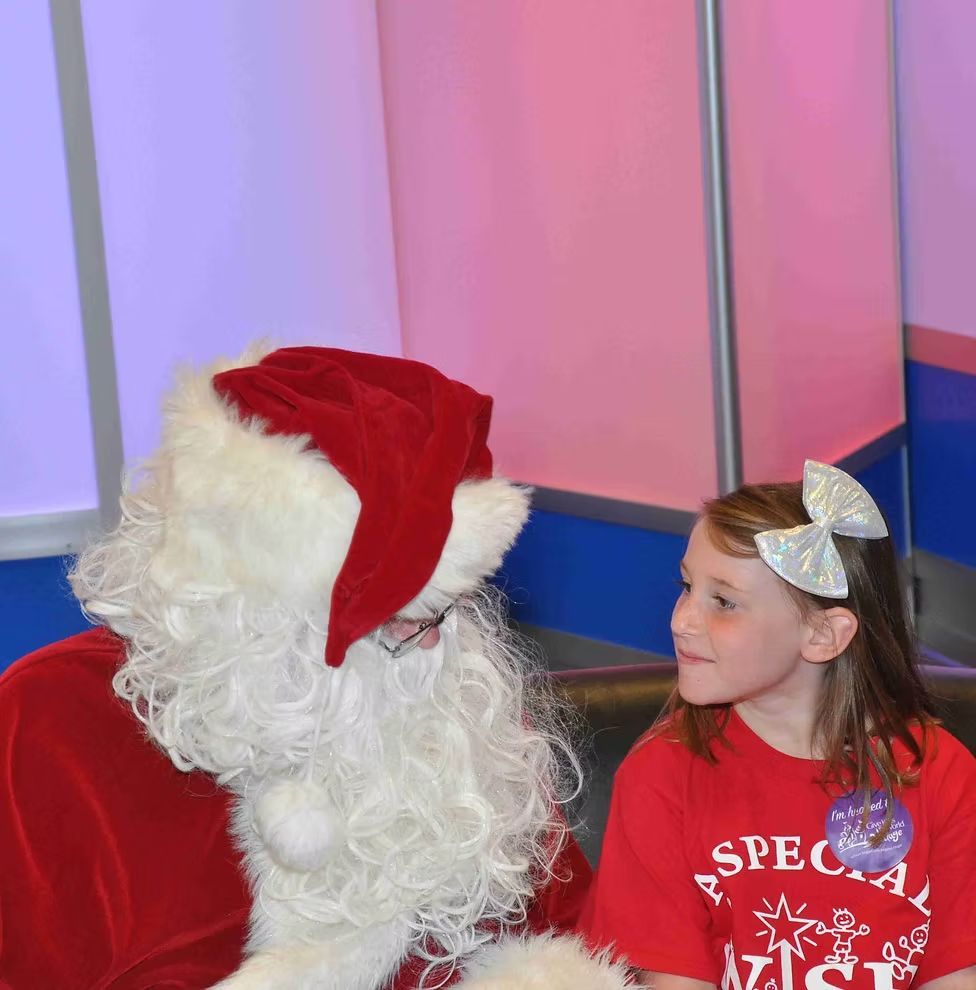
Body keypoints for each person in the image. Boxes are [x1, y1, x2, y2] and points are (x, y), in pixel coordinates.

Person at [0, 345, 629, 989]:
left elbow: (569, 933)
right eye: (389, 620)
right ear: (249, 598)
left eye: (445, 611)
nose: (432, 647)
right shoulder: (54, 722)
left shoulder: (457, 697)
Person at [579, 460, 976, 990]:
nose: (680, 620)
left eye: (723, 602)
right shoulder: (660, 776)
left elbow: (956, 972)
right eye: (686, 586)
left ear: (823, 636)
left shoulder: (942, 772)